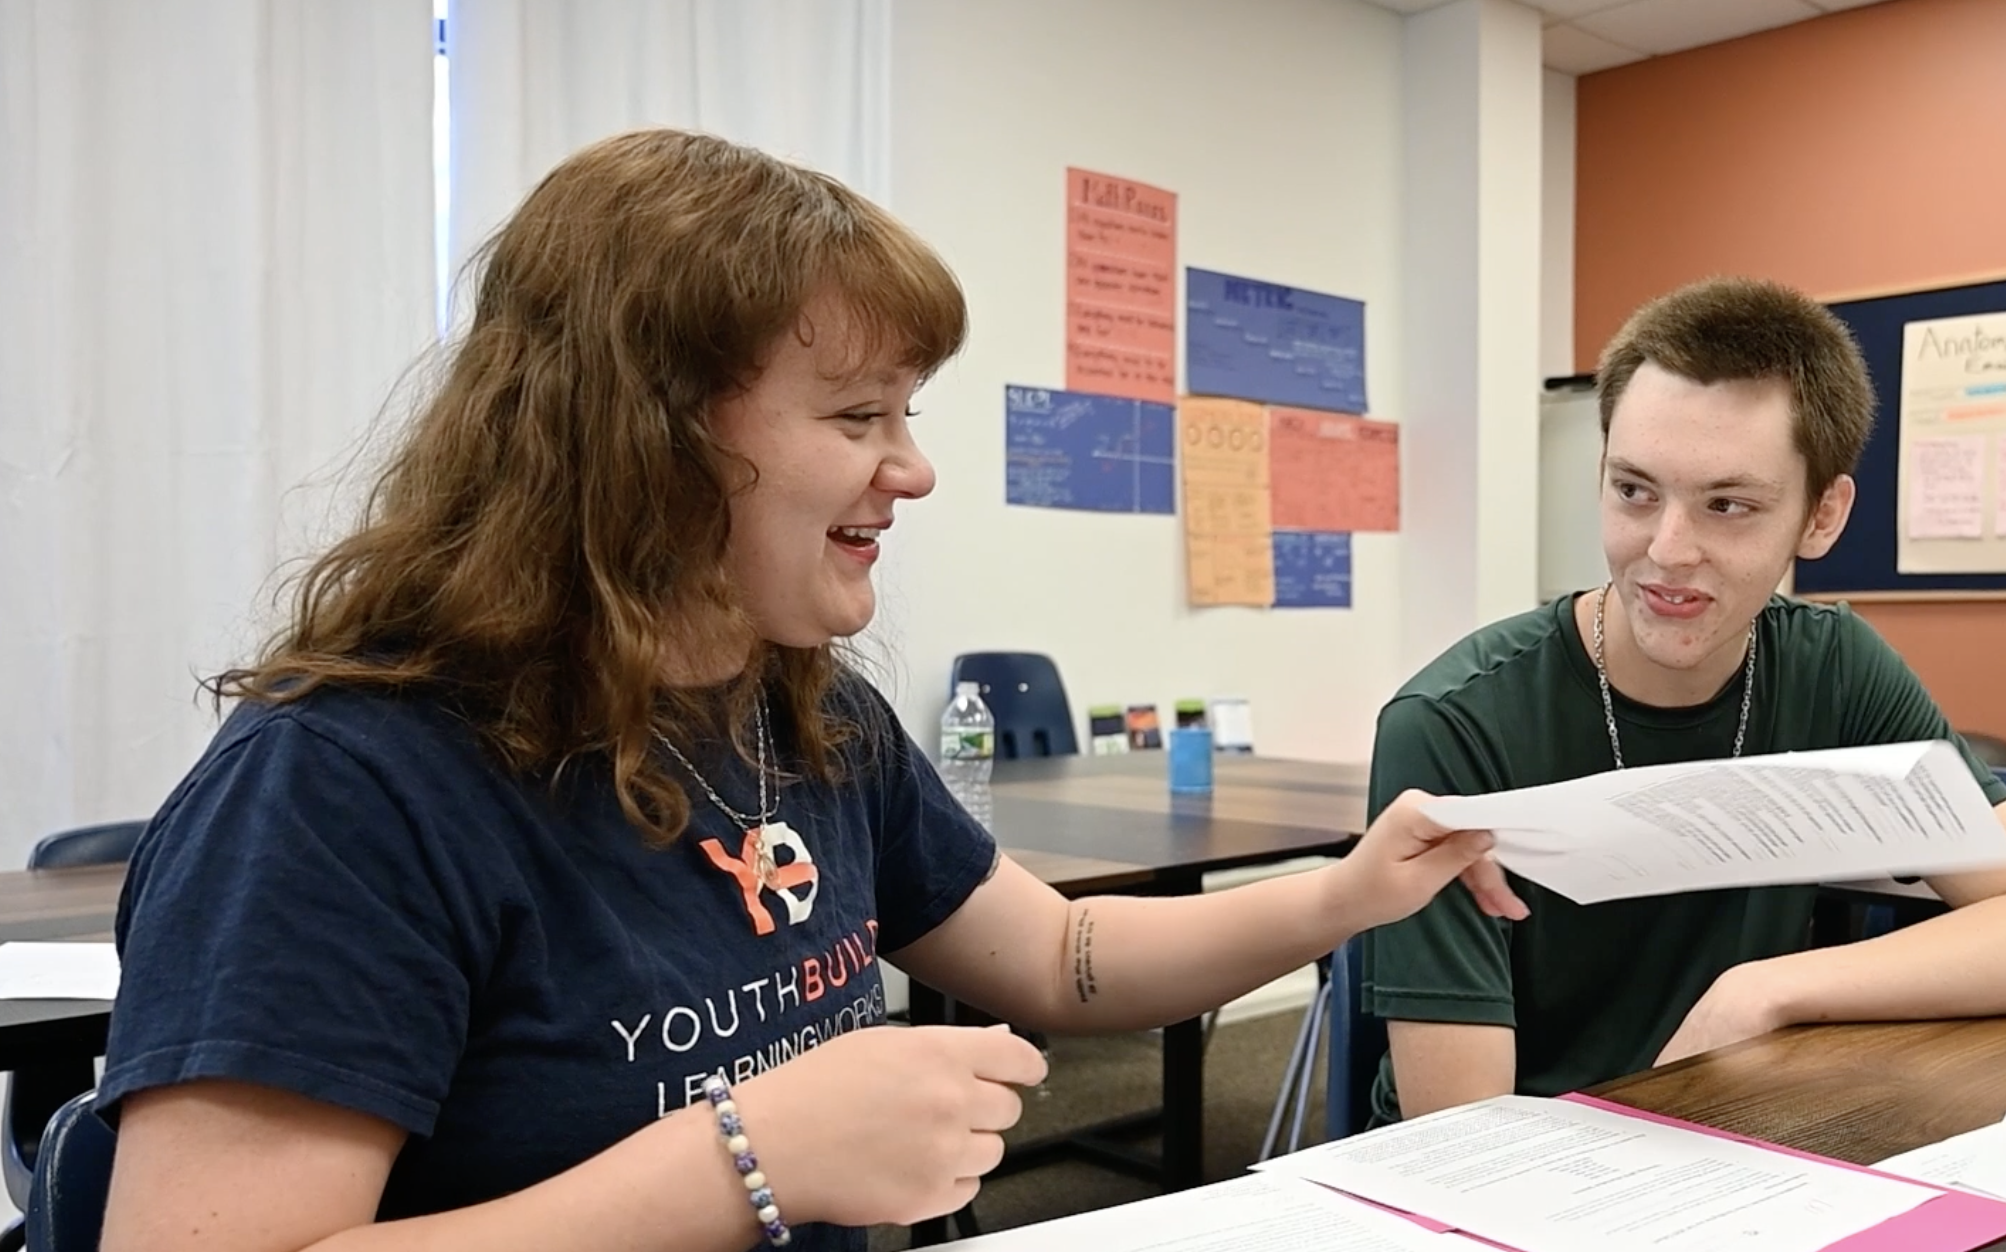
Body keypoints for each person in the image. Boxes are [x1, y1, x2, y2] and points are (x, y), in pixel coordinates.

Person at [95, 129, 1521, 1252]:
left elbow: (1054, 959)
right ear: (639, 441)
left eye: (909, 413)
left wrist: (1343, 899)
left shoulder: (809, 714)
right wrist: (747, 1160)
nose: (912, 469)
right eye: (857, 418)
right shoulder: (345, 788)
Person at [1366, 276, 2006, 1123]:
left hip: (1725, 1140)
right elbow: (1457, 1140)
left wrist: (1760, 991)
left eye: (1727, 505)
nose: (1666, 549)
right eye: (1633, 491)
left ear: (1821, 517)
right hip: (1520, 1179)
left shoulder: (1831, 668)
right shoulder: (1453, 723)